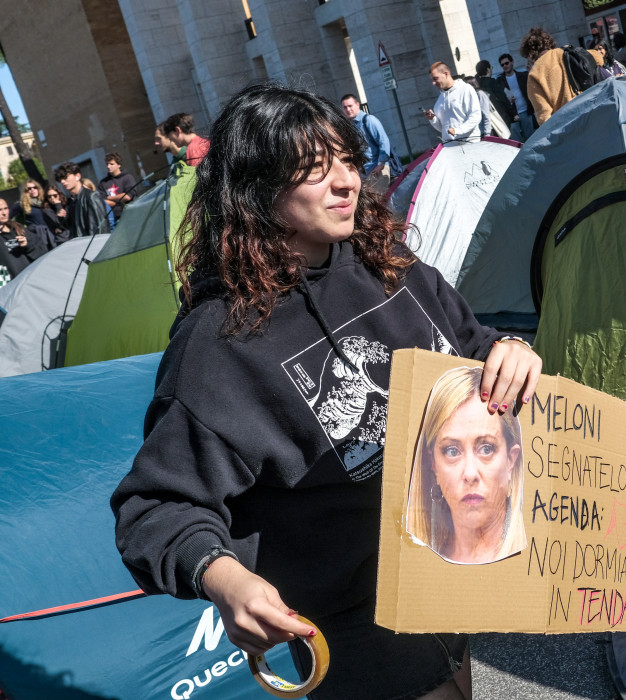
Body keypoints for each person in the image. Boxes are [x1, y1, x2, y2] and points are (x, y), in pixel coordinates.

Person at [111, 81, 541, 700]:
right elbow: (154, 509)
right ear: (257, 189)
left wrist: (512, 352)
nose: (344, 182)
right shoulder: (218, 343)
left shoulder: (389, 262)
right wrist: (222, 576)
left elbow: (472, 347)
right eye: (314, 171)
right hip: (348, 610)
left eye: (345, 160)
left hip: (442, 563)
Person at [406, 366, 525, 565]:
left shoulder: (527, 562)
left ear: (511, 461)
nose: (470, 473)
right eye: (452, 451)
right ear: (434, 464)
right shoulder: (417, 563)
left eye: (486, 449)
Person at [519, 27, 604, 125]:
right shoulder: (567, 50)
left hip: (570, 124)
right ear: (548, 43)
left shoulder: (534, 74)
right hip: (594, 109)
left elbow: (544, 116)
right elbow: (598, 57)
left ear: (530, 54)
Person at [340, 94, 404, 184]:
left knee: (383, 197)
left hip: (377, 170)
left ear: (357, 105)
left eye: (350, 106)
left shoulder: (369, 120)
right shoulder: (351, 126)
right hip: (364, 173)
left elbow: (384, 142)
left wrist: (380, 165)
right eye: (345, 107)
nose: (348, 110)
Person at [425, 62, 481, 143]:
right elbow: (442, 128)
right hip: (449, 148)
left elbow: (475, 116)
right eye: (432, 80)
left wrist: (458, 130)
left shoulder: (466, 89)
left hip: (470, 144)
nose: (433, 83)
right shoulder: (439, 100)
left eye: (435, 79)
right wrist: (433, 119)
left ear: (446, 74)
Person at [0, 197, 48, 285]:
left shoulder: (18, 228)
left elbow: (42, 251)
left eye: (6, 208)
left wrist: (27, 246)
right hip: (10, 287)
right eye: (0, 210)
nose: (4, 213)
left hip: (32, 281)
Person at [56, 162, 109, 238]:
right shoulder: (71, 202)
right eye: (60, 179)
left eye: (65, 177)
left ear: (77, 176)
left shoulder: (91, 196)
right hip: (81, 245)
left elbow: (101, 227)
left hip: (94, 245)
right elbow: (74, 229)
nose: (62, 181)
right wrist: (62, 219)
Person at [496, 54, 536, 142]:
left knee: (531, 140)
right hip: (512, 116)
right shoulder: (499, 81)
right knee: (516, 142)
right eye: (502, 65)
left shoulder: (523, 75)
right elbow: (498, 99)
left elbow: (533, 86)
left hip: (525, 111)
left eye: (506, 63)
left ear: (512, 62)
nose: (505, 66)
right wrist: (506, 100)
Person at [99, 152, 141, 228]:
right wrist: (119, 201)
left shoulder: (127, 178)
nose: (108, 166)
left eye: (111, 164)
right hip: (113, 219)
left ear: (119, 165)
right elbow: (102, 201)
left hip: (130, 215)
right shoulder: (103, 183)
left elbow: (127, 196)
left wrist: (109, 198)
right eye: (107, 164)